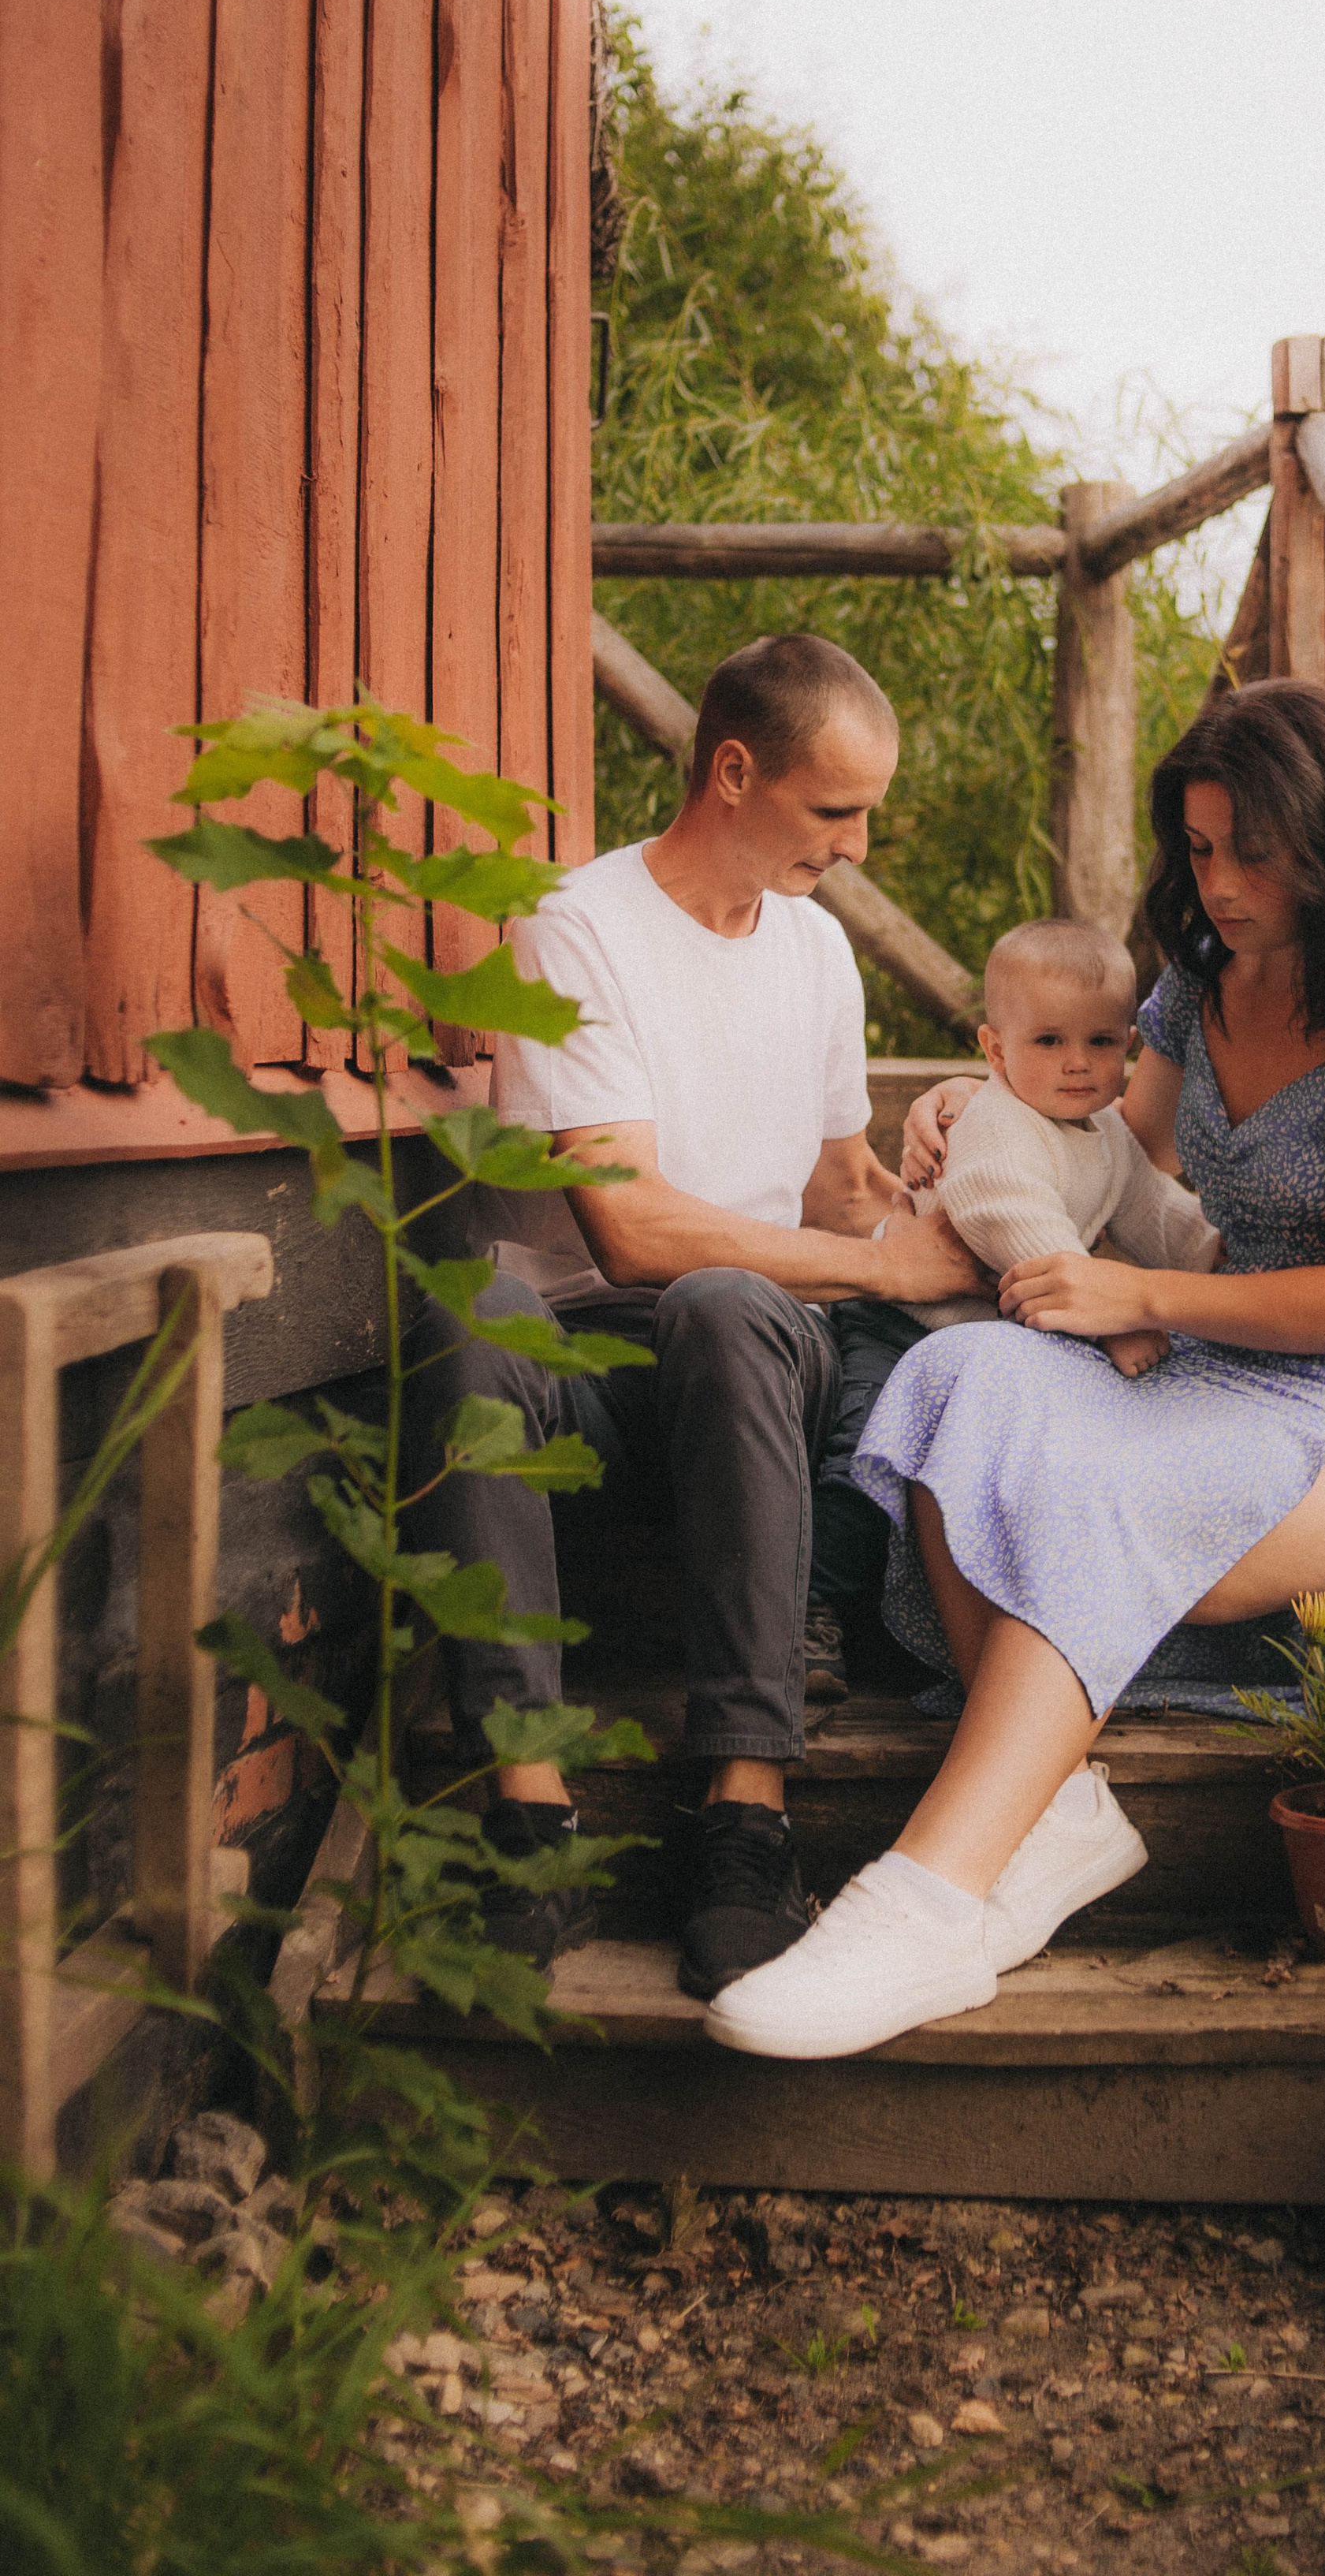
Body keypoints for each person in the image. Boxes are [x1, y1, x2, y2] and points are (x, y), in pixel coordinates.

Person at [700, 677, 1325, 2061]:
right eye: (1198, 850)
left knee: (1104, 1490)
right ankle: (1061, 1801)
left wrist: (1136, 1291)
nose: (1223, 883)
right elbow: (1107, 1143)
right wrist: (979, 1105)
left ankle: (935, 1895)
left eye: (1253, 849)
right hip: (1207, 1358)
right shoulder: (1201, 982)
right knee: (957, 1384)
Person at [404, 632, 983, 1996]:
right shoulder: (578, 925)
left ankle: (743, 1815)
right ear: (734, 772)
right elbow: (628, 1223)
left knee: (728, 1304)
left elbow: (845, 1192)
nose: (857, 846)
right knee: (469, 1300)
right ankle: (528, 1814)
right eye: (835, 812)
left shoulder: (822, 956)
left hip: (747, 1369)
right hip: (584, 1383)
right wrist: (885, 1271)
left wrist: (962, 1197)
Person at [890, 915, 1222, 1370]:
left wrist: (1215, 1252)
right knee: (873, 1428)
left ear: (1126, 1045)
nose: (1078, 1062)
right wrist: (1114, 1324)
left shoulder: (1107, 1126)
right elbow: (1031, 1236)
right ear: (997, 1050)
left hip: (1005, 1334)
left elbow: (1152, 1208)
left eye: (1101, 1041)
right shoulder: (997, 1129)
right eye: (1049, 1040)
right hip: (903, 1327)